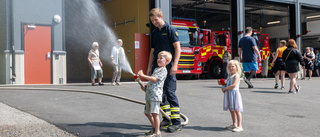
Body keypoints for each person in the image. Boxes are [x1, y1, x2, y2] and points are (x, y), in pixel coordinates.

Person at [147, 8, 182, 132]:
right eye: (152, 21)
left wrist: (175, 65)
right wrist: (149, 67)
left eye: (156, 20)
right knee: (160, 94)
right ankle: (166, 119)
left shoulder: (171, 30)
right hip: (158, 67)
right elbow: (152, 51)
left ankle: (177, 122)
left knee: (170, 92)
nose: (154, 22)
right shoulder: (154, 33)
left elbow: (177, 48)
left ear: (161, 16)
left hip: (169, 66)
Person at [138, 51, 172, 137]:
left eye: (161, 58)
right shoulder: (156, 69)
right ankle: (154, 129)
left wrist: (143, 75)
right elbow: (152, 82)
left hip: (155, 96)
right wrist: (145, 86)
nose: (158, 59)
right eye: (158, 58)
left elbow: (154, 79)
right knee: (147, 113)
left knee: (155, 114)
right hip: (149, 94)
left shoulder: (163, 70)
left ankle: (157, 132)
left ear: (167, 61)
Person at [221, 60, 243, 132]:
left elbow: (233, 85)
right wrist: (222, 83)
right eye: (229, 67)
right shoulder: (229, 75)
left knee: (237, 110)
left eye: (233, 66)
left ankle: (240, 126)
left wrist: (225, 88)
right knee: (231, 109)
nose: (231, 68)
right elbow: (226, 83)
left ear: (236, 67)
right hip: (229, 93)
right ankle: (234, 124)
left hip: (234, 94)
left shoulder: (236, 75)